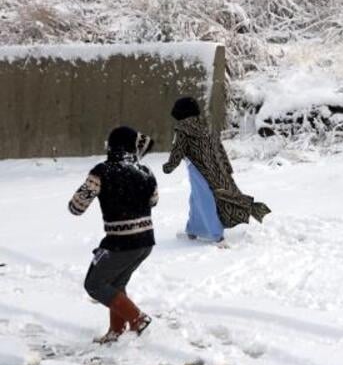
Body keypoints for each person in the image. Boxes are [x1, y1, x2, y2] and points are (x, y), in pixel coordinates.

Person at [69, 126, 156, 343]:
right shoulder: (145, 171)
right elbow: (153, 201)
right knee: (116, 284)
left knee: (94, 284)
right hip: (145, 242)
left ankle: (138, 318)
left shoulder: (102, 171)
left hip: (121, 242)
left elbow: (77, 207)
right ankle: (115, 332)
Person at [163, 97, 271, 244]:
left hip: (198, 170)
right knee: (197, 199)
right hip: (216, 169)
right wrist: (226, 170)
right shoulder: (206, 127)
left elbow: (178, 150)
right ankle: (193, 229)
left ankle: (216, 236)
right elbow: (219, 149)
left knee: (204, 200)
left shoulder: (183, 129)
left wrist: (168, 167)